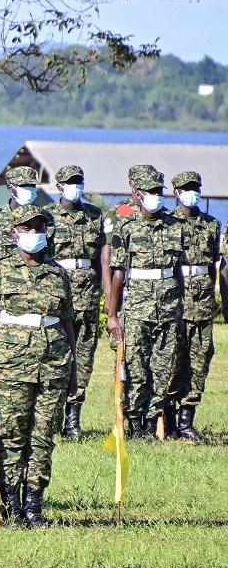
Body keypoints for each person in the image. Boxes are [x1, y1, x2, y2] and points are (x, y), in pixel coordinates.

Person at [0, 207, 76, 526]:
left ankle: (34, 503)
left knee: (44, 435)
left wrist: (72, 371)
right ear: (15, 232)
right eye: (27, 229)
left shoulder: (58, 274)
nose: (34, 234)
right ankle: (12, 502)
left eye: (39, 228)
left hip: (54, 365)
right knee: (12, 434)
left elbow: (68, 323)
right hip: (10, 365)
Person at [106, 164, 187, 439]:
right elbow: (117, 273)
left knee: (163, 369)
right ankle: (135, 423)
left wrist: (181, 304)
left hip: (169, 307)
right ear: (138, 194)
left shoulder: (175, 226)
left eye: (158, 191)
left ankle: (152, 423)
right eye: (150, 191)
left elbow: (178, 270)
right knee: (136, 369)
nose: (156, 196)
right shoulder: (126, 227)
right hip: (138, 308)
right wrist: (113, 315)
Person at [49, 164, 105, 438]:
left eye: (79, 181)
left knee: (83, 358)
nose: (76, 187)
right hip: (57, 298)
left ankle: (73, 419)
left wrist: (105, 293)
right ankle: (52, 414)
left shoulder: (94, 216)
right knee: (56, 356)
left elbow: (101, 259)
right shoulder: (47, 217)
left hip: (88, 298)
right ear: (59, 186)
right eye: (70, 182)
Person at [171, 171, 218, 440]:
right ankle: (165, 415)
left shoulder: (211, 225)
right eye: (187, 188)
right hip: (174, 302)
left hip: (201, 303)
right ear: (176, 192)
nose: (193, 192)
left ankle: (186, 420)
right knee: (171, 360)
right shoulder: (168, 224)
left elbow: (213, 267)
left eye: (196, 188)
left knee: (199, 361)